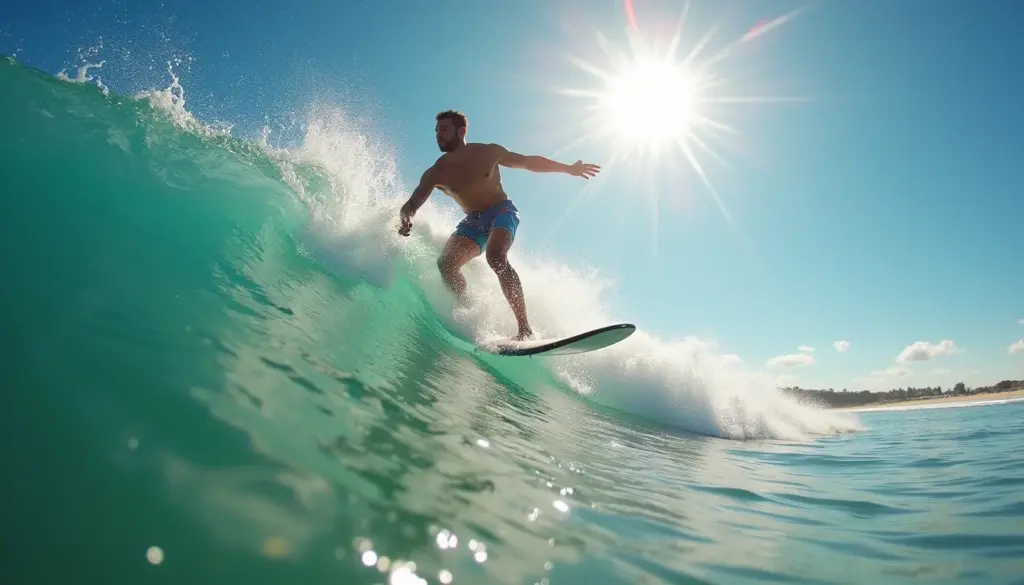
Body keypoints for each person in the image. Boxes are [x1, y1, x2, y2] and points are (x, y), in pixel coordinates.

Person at [397, 110, 600, 340]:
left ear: (461, 131)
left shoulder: (488, 152)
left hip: (502, 211)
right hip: (472, 222)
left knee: (495, 256)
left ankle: (525, 330)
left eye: (444, 129)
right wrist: (405, 217)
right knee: (446, 264)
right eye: (436, 131)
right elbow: (413, 203)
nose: (438, 135)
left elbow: (528, 162)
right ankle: (469, 312)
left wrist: (568, 168)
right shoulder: (436, 173)